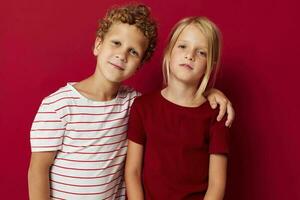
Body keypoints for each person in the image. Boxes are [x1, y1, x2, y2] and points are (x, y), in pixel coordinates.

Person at [28, 4, 233, 199]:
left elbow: (180, 102)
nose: (122, 54)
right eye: (116, 43)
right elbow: (38, 170)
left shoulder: (131, 103)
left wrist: (211, 93)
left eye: (133, 51)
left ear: (139, 65)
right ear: (98, 44)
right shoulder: (58, 105)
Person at [125, 16, 230, 200]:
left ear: (209, 66)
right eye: (183, 46)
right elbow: (132, 172)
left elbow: (216, 184)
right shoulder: (143, 107)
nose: (190, 55)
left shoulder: (217, 114)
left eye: (201, 53)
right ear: (169, 52)